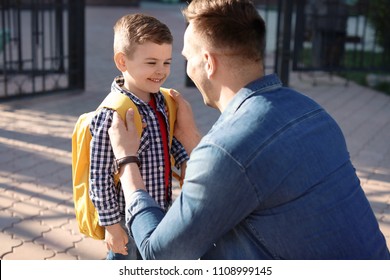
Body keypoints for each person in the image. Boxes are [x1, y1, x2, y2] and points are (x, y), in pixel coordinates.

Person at [108, 0, 390, 259]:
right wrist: (192, 140)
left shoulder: (225, 150)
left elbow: (158, 256)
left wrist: (127, 160)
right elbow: (242, 177)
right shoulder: (311, 110)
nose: (184, 67)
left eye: (186, 58)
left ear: (208, 62)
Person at [89, 13, 189, 260]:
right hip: (126, 220)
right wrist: (111, 226)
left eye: (167, 62)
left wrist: (185, 159)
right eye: (151, 62)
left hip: (158, 211)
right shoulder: (113, 113)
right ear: (122, 61)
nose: (161, 71)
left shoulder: (162, 101)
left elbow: (167, 140)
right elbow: (99, 175)